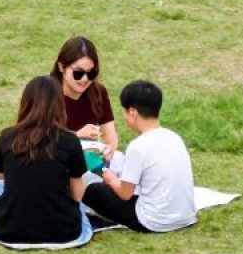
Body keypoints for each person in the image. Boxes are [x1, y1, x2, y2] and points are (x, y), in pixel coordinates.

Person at [0, 75, 92, 247]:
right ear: (59, 105)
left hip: (9, 230)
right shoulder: (69, 140)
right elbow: (76, 188)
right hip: (64, 232)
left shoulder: (7, 137)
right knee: (81, 181)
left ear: (26, 102)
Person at [82, 81, 196, 234]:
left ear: (133, 112)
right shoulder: (174, 137)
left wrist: (110, 179)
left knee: (92, 190)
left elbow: (125, 193)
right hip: (186, 215)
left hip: (152, 221)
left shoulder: (138, 146)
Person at [51, 36, 119, 160]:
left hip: (87, 164)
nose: (85, 79)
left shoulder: (98, 92)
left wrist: (107, 151)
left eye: (91, 73)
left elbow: (111, 138)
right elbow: (33, 139)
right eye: (78, 73)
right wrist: (76, 136)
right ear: (61, 66)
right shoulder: (45, 93)